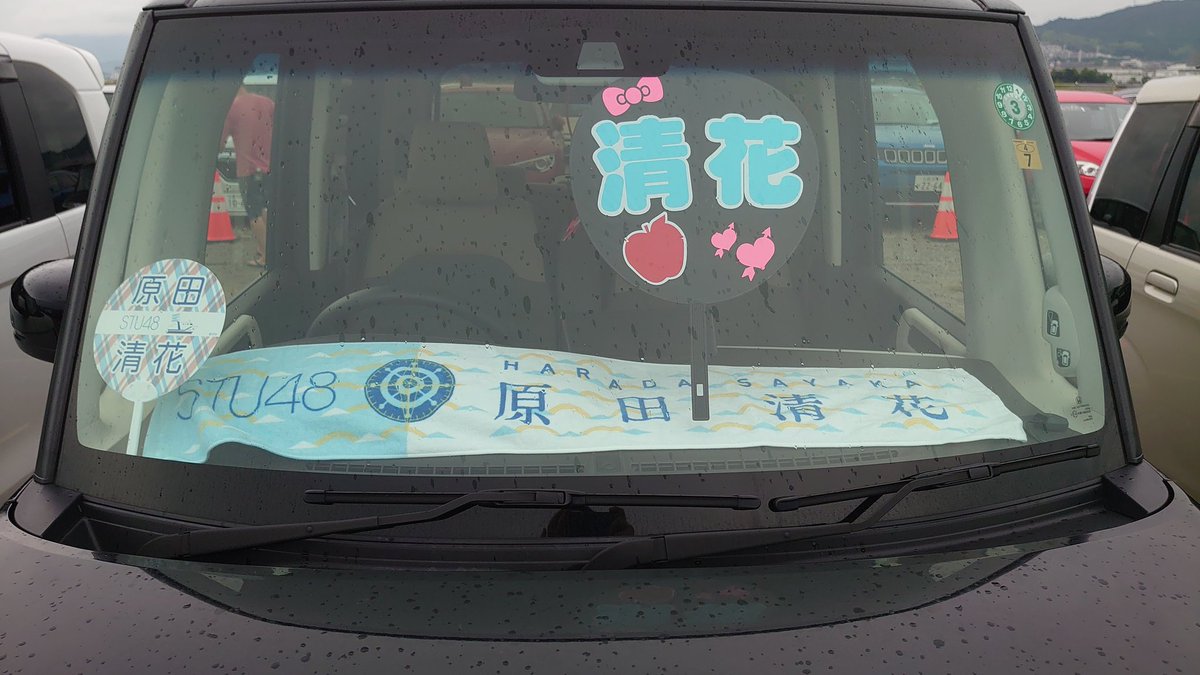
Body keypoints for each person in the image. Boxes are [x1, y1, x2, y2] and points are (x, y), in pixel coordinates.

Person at [220, 85, 274, 267]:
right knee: (266, 208)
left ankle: (265, 256)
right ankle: (268, 250)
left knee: (254, 212)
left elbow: (220, 143)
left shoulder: (232, 108)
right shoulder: (268, 103)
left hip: (248, 170)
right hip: (269, 168)